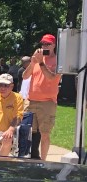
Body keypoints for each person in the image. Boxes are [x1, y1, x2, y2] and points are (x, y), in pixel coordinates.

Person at [21, 34, 60, 162]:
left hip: (47, 103)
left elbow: (52, 78)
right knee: (27, 132)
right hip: (31, 101)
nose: (44, 46)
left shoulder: (58, 61)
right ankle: (28, 158)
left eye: (48, 44)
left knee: (45, 134)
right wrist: (33, 63)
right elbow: (25, 76)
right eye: (43, 44)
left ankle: (43, 162)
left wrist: (41, 63)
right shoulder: (37, 59)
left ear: (54, 45)